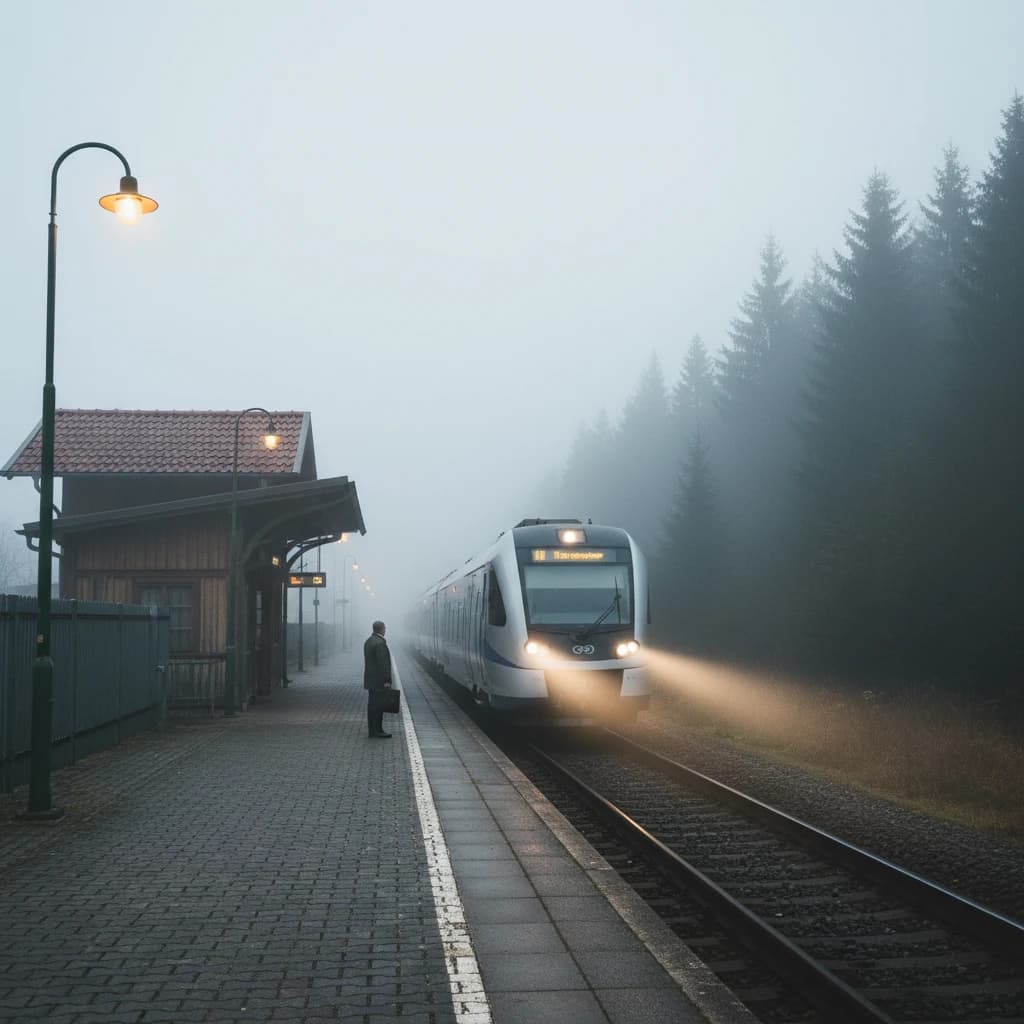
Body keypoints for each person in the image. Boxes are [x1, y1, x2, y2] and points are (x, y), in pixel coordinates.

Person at [363, 620, 393, 738]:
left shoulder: (368, 641)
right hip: (379, 681)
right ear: (381, 629)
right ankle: (377, 731)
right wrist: (387, 680)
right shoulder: (380, 643)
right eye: (384, 628)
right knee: (378, 706)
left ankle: (373, 730)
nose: (385, 630)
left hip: (371, 680)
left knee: (372, 706)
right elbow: (383, 664)